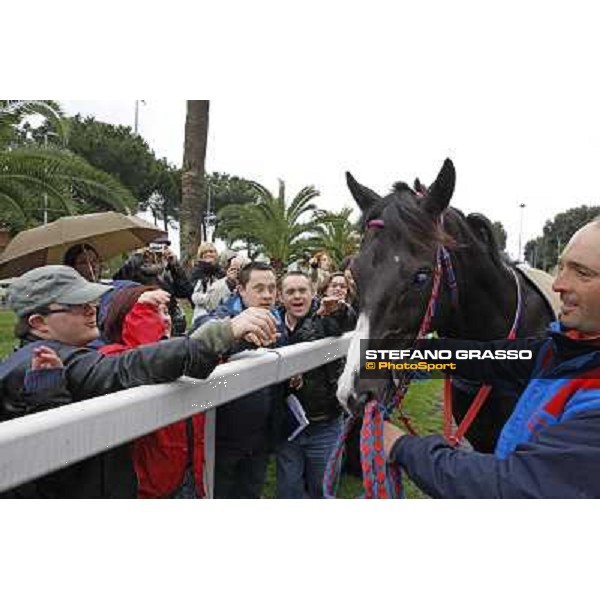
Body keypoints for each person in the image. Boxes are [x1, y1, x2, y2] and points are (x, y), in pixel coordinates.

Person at [0, 265, 278, 498]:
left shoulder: (42, 356)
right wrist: (222, 334)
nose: (91, 309)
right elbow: (126, 366)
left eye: (91, 302)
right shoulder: (47, 359)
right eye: (76, 305)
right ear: (38, 323)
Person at [383, 220, 600, 498]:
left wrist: (400, 446)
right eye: (562, 267)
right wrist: (384, 356)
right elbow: (486, 358)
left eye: (582, 273)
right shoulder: (563, 348)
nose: (558, 285)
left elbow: (511, 488)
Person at [99, 285, 207, 499]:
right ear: (126, 318)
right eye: (151, 312)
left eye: (165, 311)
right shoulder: (110, 357)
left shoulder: (181, 353)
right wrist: (143, 317)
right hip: (148, 489)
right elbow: (150, 361)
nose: (165, 320)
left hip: (188, 477)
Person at [191, 262, 283, 499]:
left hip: (261, 438)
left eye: (272, 288)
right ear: (240, 289)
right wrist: (236, 335)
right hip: (225, 439)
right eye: (259, 288)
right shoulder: (223, 317)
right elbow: (198, 336)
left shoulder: (277, 319)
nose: (267, 295)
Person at [275, 271, 357, 498]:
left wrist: (339, 310)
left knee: (322, 490)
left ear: (313, 293)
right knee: (288, 491)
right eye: (290, 291)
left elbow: (346, 321)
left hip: (325, 425)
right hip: (288, 428)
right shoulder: (272, 324)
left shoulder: (325, 318)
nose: (297, 296)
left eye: (302, 290)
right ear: (280, 297)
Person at [112, 242, 193, 336]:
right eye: (154, 247)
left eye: (163, 247)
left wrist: (175, 266)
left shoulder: (167, 272)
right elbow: (118, 281)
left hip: (170, 324)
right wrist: (138, 257)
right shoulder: (135, 269)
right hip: (145, 324)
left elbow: (185, 291)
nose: (157, 253)